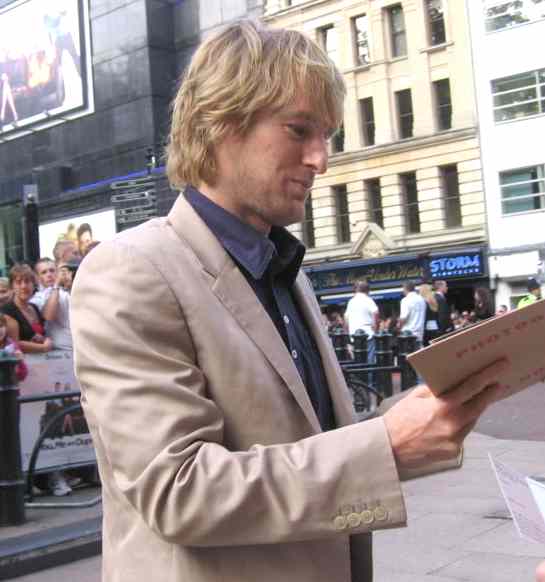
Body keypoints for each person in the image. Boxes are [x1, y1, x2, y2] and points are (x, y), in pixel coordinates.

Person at [70, 21, 509, 582]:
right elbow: (177, 489)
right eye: (299, 130)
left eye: (327, 135)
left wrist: (406, 423)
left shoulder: (287, 274)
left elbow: (300, 443)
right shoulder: (131, 269)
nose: (321, 160)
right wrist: (384, 448)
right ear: (219, 121)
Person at [2, 264, 53, 354]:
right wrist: (43, 347)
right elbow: (14, 343)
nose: (23, 286)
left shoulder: (34, 307)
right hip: (21, 363)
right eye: (18, 282)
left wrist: (45, 339)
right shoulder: (8, 310)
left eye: (27, 281)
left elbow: (40, 335)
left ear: (34, 284)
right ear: (12, 286)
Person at [31, 257, 74, 350]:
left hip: (77, 345)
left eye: (52, 271)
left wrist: (71, 286)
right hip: (60, 349)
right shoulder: (37, 298)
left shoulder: (64, 291)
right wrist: (56, 285)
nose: (49, 275)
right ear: (37, 277)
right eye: (44, 272)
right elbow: (49, 316)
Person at [344, 280, 379, 364]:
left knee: (358, 361)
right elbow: (376, 312)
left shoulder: (351, 302)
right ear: (367, 290)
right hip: (368, 334)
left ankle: (361, 377)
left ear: (356, 290)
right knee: (369, 360)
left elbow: (346, 318)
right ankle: (369, 376)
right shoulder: (368, 300)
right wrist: (375, 326)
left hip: (354, 336)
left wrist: (347, 333)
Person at [398, 281, 426, 345]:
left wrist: (399, 326)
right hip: (420, 334)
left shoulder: (405, 300)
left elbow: (403, 318)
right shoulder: (422, 299)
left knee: (409, 354)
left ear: (405, 289)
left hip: (408, 334)